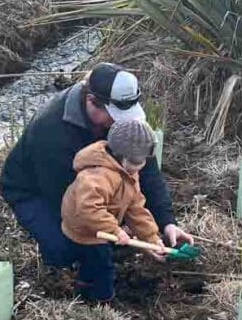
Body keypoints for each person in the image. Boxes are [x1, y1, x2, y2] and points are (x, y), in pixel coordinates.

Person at [0, 62, 194, 289]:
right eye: (114, 115)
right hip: (35, 191)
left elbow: (147, 172)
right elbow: (69, 203)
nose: (120, 122)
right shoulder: (51, 131)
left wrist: (167, 223)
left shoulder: (125, 123)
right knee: (66, 249)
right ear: (91, 101)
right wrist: (116, 227)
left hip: (95, 180)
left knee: (111, 238)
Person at [61, 120, 166, 301]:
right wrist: (115, 230)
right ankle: (101, 300)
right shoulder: (97, 175)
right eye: (136, 161)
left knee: (95, 261)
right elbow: (88, 209)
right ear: (121, 157)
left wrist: (151, 237)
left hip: (102, 225)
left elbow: (136, 208)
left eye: (143, 161)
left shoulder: (128, 172)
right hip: (84, 229)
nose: (140, 166)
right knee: (102, 267)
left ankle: (85, 280)